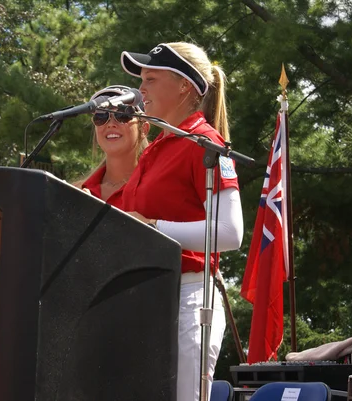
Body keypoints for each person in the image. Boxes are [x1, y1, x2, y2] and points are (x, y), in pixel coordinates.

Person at [119, 42, 244, 401]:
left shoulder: (205, 143)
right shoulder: (156, 147)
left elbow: (230, 232)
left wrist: (154, 228)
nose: (140, 90)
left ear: (185, 86)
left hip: (189, 296)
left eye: (150, 79)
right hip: (145, 296)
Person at [78, 85, 149, 207]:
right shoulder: (76, 192)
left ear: (143, 129)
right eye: (101, 116)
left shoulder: (158, 191)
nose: (110, 124)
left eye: (122, 115)